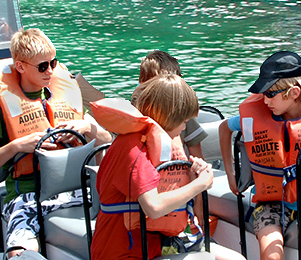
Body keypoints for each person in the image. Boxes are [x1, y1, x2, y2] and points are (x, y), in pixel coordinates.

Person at [0, 28, 112, 258]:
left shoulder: (65, 97)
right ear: (20, 67)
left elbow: (107, 139)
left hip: (77, 191)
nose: (50, 71)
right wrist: (17, 145)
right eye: (42, 66)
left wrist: (88, 127)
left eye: (53, 63)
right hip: (28, 196)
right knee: (20, 253)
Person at [91, 74, 245, 260]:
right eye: (184, 122)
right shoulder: (133, 148)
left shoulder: (153, 143)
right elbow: (153, 206)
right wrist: (200, 184)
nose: (183, 129)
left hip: (158, 245)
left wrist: (193, 175)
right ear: (168, 116)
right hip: (123, 252)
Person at [218, 51, 301, 260]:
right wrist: (231, 172)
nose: (265, 100)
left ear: (294, 92)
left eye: (270, 93)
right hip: (272, 204)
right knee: (271, 255)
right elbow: (225, 128)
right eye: (262, 93)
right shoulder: (256, 116)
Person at [131, 50, 209, 227]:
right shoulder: (132, 124)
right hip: (147, 204)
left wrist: (199, 206)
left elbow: (198, 159)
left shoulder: (185, 121)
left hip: (178, 197)